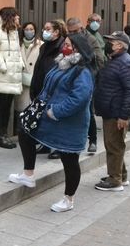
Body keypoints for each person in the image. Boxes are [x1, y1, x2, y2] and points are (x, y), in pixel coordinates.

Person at [9, 34, 94, 212]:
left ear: (77, 49)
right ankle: (28, 174)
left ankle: (68, 199)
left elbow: (78, 99)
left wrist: (56, 111)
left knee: (69, 160)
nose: (64, 47)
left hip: (69, 124)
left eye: (68, 45)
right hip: (48, 118)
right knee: (25, 133)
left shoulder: (82, 72)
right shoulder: (63, 63)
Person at [94, 31, 130, 191]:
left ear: (120, 45)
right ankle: (120, 175)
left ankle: (114, 181)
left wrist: (124, 116)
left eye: (111, 42)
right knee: (114, 145)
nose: (108, 44)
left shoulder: (126, 62)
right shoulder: (115, 60)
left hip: (116, 112)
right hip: (111, 110)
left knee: (114, 146)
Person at [29, 19, 67, 160]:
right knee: (44, 117)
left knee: (55, 118)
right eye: (44, 29)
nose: (44, 31)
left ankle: (58, 147)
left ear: (56, 32)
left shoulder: (62, 47)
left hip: (54, 88)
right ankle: (45, 144)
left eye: (48, 29)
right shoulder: (45, 46)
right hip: (41, 86)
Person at [67, 17, 104, 153]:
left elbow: (99, 59)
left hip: (86, 76)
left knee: (87, 109)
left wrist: (90, 72)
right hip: (70, 77)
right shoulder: (68, 40)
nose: (72, 34)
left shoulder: (91, 40)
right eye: (70, 32)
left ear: (81, 28)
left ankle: (92, 140)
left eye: (75, 31)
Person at [0, 7, 24, 149]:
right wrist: (3, 66)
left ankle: (4, 134)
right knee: (1, 105)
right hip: (3, 73)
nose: (18, 18)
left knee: (8, 105)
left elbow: (17, 51)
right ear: (10, 16)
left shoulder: (14, 31)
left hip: (13, 73)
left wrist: (21, 64)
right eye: (16, 15)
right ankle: (0, 136)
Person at [13, 22, 40, 135]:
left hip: (34, 81)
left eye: (31, 29)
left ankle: (32, 132)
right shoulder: (17, 45)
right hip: (21, 82)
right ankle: (21, 132)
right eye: (27, 29)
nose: (29, 31)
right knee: (21, 109)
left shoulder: (41, 45)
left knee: (33, 109)